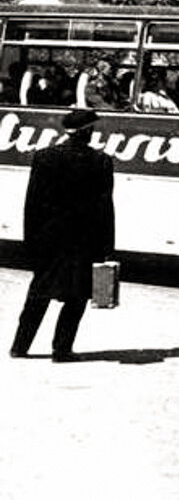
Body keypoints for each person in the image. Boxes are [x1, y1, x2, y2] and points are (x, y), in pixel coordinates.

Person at [10, 109, 115, 362]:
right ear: (87, 131)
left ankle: (20, 346)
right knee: (77, 296)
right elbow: (105, 208)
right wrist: (107, 246)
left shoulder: (44, 157)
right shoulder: (100, 161)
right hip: (83, 241)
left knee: (38, 294)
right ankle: (62, 349)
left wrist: (30, 243)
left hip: (49, 239)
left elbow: (32, 204)